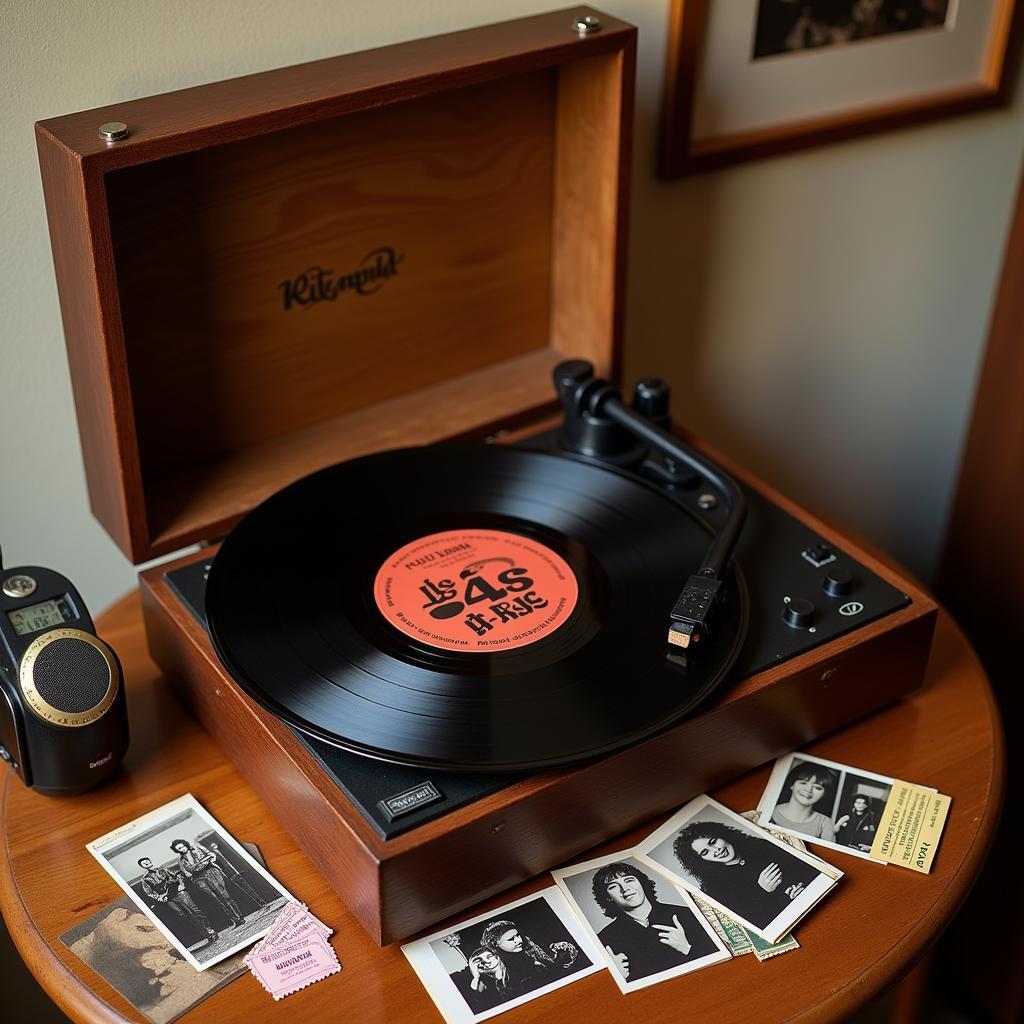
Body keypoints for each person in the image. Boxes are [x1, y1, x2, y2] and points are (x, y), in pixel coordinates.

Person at [672, 819, 820, 929]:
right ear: (701, 861)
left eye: (713, 841)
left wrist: (802, 888)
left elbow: (806, 869)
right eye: (705, 852)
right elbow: (757, 922)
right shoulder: (715, 889)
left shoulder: (759, 845)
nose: (716, 850)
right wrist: (764, 891)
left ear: (722, 835)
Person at [591, 862, 719, 981]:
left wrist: (687, 948)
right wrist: (618, 977)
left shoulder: (686, 914)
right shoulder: (604, 939)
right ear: (607, 898)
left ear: (641, 883)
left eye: (629, 880)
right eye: (613, 886)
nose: (625, 889)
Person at [480, 919, 578, 996]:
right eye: (511, 939)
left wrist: (562, 958)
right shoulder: (494, 969)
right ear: (495, 944)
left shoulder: (531, 953)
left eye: (518, 935)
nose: (519, 940)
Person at [138, 857, 216, 947]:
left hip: (179, 894)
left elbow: (177, 876)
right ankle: (206, 935)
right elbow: (149, 892)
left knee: (195, 911)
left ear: (150, 861)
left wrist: (181, 885)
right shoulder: (145, 879)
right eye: (144, 863)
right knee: (186, 916)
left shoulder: (163, 870)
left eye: (147, 861)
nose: (147, 863)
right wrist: (159, 897)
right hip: (168, 899)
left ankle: (210, 930)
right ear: (142, 866)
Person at [170, 839, 244, 929]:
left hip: (211, 872)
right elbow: (187, 872)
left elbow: (211, 856)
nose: (181, 849)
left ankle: (240, 916)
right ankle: (235, 920)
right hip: (199, 879)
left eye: (182, 847)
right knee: (217, 899)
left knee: (224, 895)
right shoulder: (180, 860)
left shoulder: (198, 848)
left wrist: (200, 864)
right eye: (179, 849)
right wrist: (197, 868)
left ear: (185, 844)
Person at [769, 763, 839, 841]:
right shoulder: (771, 811)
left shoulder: (824, 823)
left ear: (824, 794)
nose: (808, 790)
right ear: (792, 785)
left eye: (817, 787)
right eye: (803, 783)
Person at [203, 840, 263, 909]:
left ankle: (260, 902)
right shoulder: (214, 856)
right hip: (231, 874)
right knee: (245, 890)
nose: (214, 848)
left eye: (214, 846)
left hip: (234, 872)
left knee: (248, 888)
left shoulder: (220, 853)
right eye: (212, 847)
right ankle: (259, 903)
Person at [450, 946, 512, 1013]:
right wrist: (475, 977)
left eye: (489, 956)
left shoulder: (513, 972)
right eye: (480, 961)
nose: (487, 961)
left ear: (497, 957)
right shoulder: (486, 982)